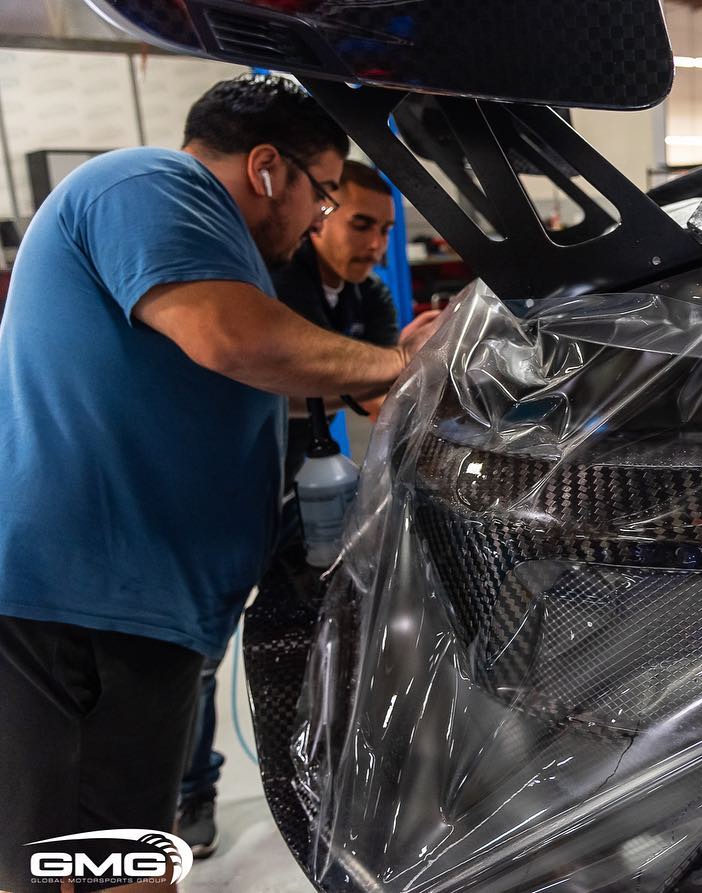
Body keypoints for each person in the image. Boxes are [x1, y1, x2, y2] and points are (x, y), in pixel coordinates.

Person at [0, 75, 439, 893]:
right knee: (83, 867)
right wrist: (409, 367)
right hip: (83, 601)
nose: (320, 217)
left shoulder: (214, 235)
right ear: (268, 166)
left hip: (136, 603)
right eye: (324, 193)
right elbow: (229, 335)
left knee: (122, 853)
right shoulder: (149, 182)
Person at [175, 160, 407, 856]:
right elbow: (262, 373)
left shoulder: (369, 298)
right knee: (200, 655)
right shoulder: (277, 287)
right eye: (360, 223)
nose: (372, 243)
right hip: (224, 491)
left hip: (306, 492)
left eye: (385, 230)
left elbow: (377, 394)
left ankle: (331, 771)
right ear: (321, 213)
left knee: (324, 623)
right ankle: (192, 793)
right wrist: (354, 370)